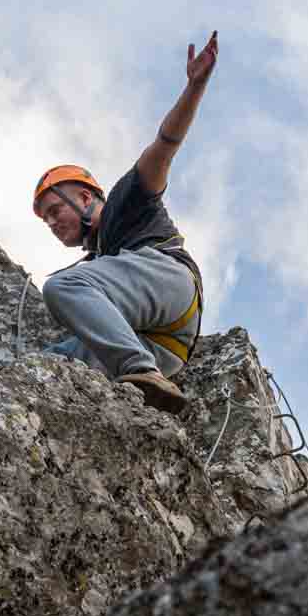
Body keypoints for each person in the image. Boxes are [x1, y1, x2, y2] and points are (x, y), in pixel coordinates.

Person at [33, 33, 218, 414]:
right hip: (164, 346)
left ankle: (139, 369)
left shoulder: (127, 200)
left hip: (168, 282)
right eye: (46, 218)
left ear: (85, 197)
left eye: (55, 210)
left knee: (63, 285)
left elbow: (165, 145)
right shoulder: (98, 262)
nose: (52, 223)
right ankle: (144, 377)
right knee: (45, 365)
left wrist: (194, 87)